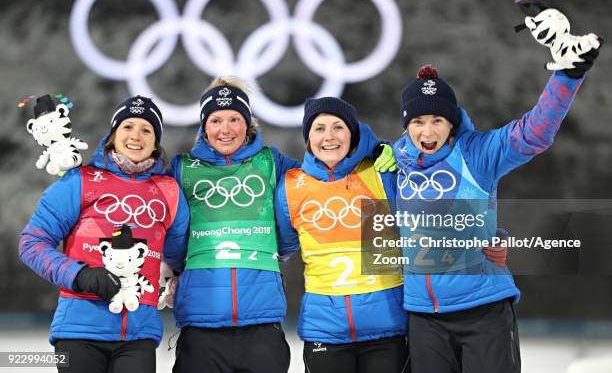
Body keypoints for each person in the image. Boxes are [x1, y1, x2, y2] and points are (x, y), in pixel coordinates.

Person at [168, 78, 397, 373]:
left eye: (234, 119)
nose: (225, 129)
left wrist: (374, 148)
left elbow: (327, 172)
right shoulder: (181, 167)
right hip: (201, 317)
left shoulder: (272, 163)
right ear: (204, 126)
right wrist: (172, 268)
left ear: (248, 125)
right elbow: (167, 226)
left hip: (262, 319)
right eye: (216, 120)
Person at [394, 51, 600, 372]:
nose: (428, 132)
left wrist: (566, 77)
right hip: (424, 318)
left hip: (482, 312)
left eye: (438, 120)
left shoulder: (476, 154)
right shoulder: (395, 163)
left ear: (452, 123)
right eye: (418, 121)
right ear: (406, 125)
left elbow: (534, 133)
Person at [19, 95, 190, 373]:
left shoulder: (169, 191)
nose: (136, 136)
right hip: (78, 332)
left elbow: (182, 255)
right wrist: (80, 274)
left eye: (147, 130)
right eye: (128, 127)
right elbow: (31, 244)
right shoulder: (80, 180)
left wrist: (174, 282)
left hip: (139, 336)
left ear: (156, 141)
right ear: (113, 134)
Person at [275, 96, 409, 373]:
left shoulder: (380, 171)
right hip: (325, 331)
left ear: (352, 133)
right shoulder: (291, 185)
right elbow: (282, 246)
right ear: (308, 137)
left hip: (386, 329)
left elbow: (418, 225)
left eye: (338, 127)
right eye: (319, 128)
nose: (329, 136)